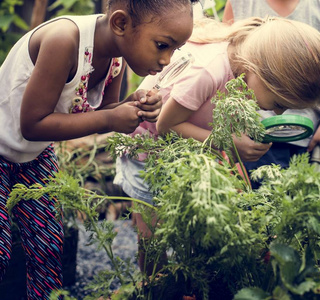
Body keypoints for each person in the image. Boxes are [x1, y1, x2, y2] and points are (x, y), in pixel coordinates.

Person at [0, 0, 199, 298]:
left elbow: (105, 113)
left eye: (175, 49)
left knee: (47, 246)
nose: (167, 60)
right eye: (162, 45)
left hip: (34, 155)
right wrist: (110, 116)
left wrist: (131, 106)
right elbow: (33, 123)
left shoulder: (114, 55)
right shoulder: (64, 41)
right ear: (120, 24)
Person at [114, 15, 320, 272]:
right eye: (279, 103)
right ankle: (152, 287)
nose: (277, 113)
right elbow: (166, 125)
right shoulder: (209, 71)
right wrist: (229, 146)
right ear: (259, 68)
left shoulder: (245, 67)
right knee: (153, 234)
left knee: (195, 224)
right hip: (148, 152)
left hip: (186, 148)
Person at [222, 0, 320, 187]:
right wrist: (234, 131)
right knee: (260, 202)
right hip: (256, 136)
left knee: (310, 201)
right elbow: (226, 64)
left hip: (311, 136)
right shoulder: (240, 3)